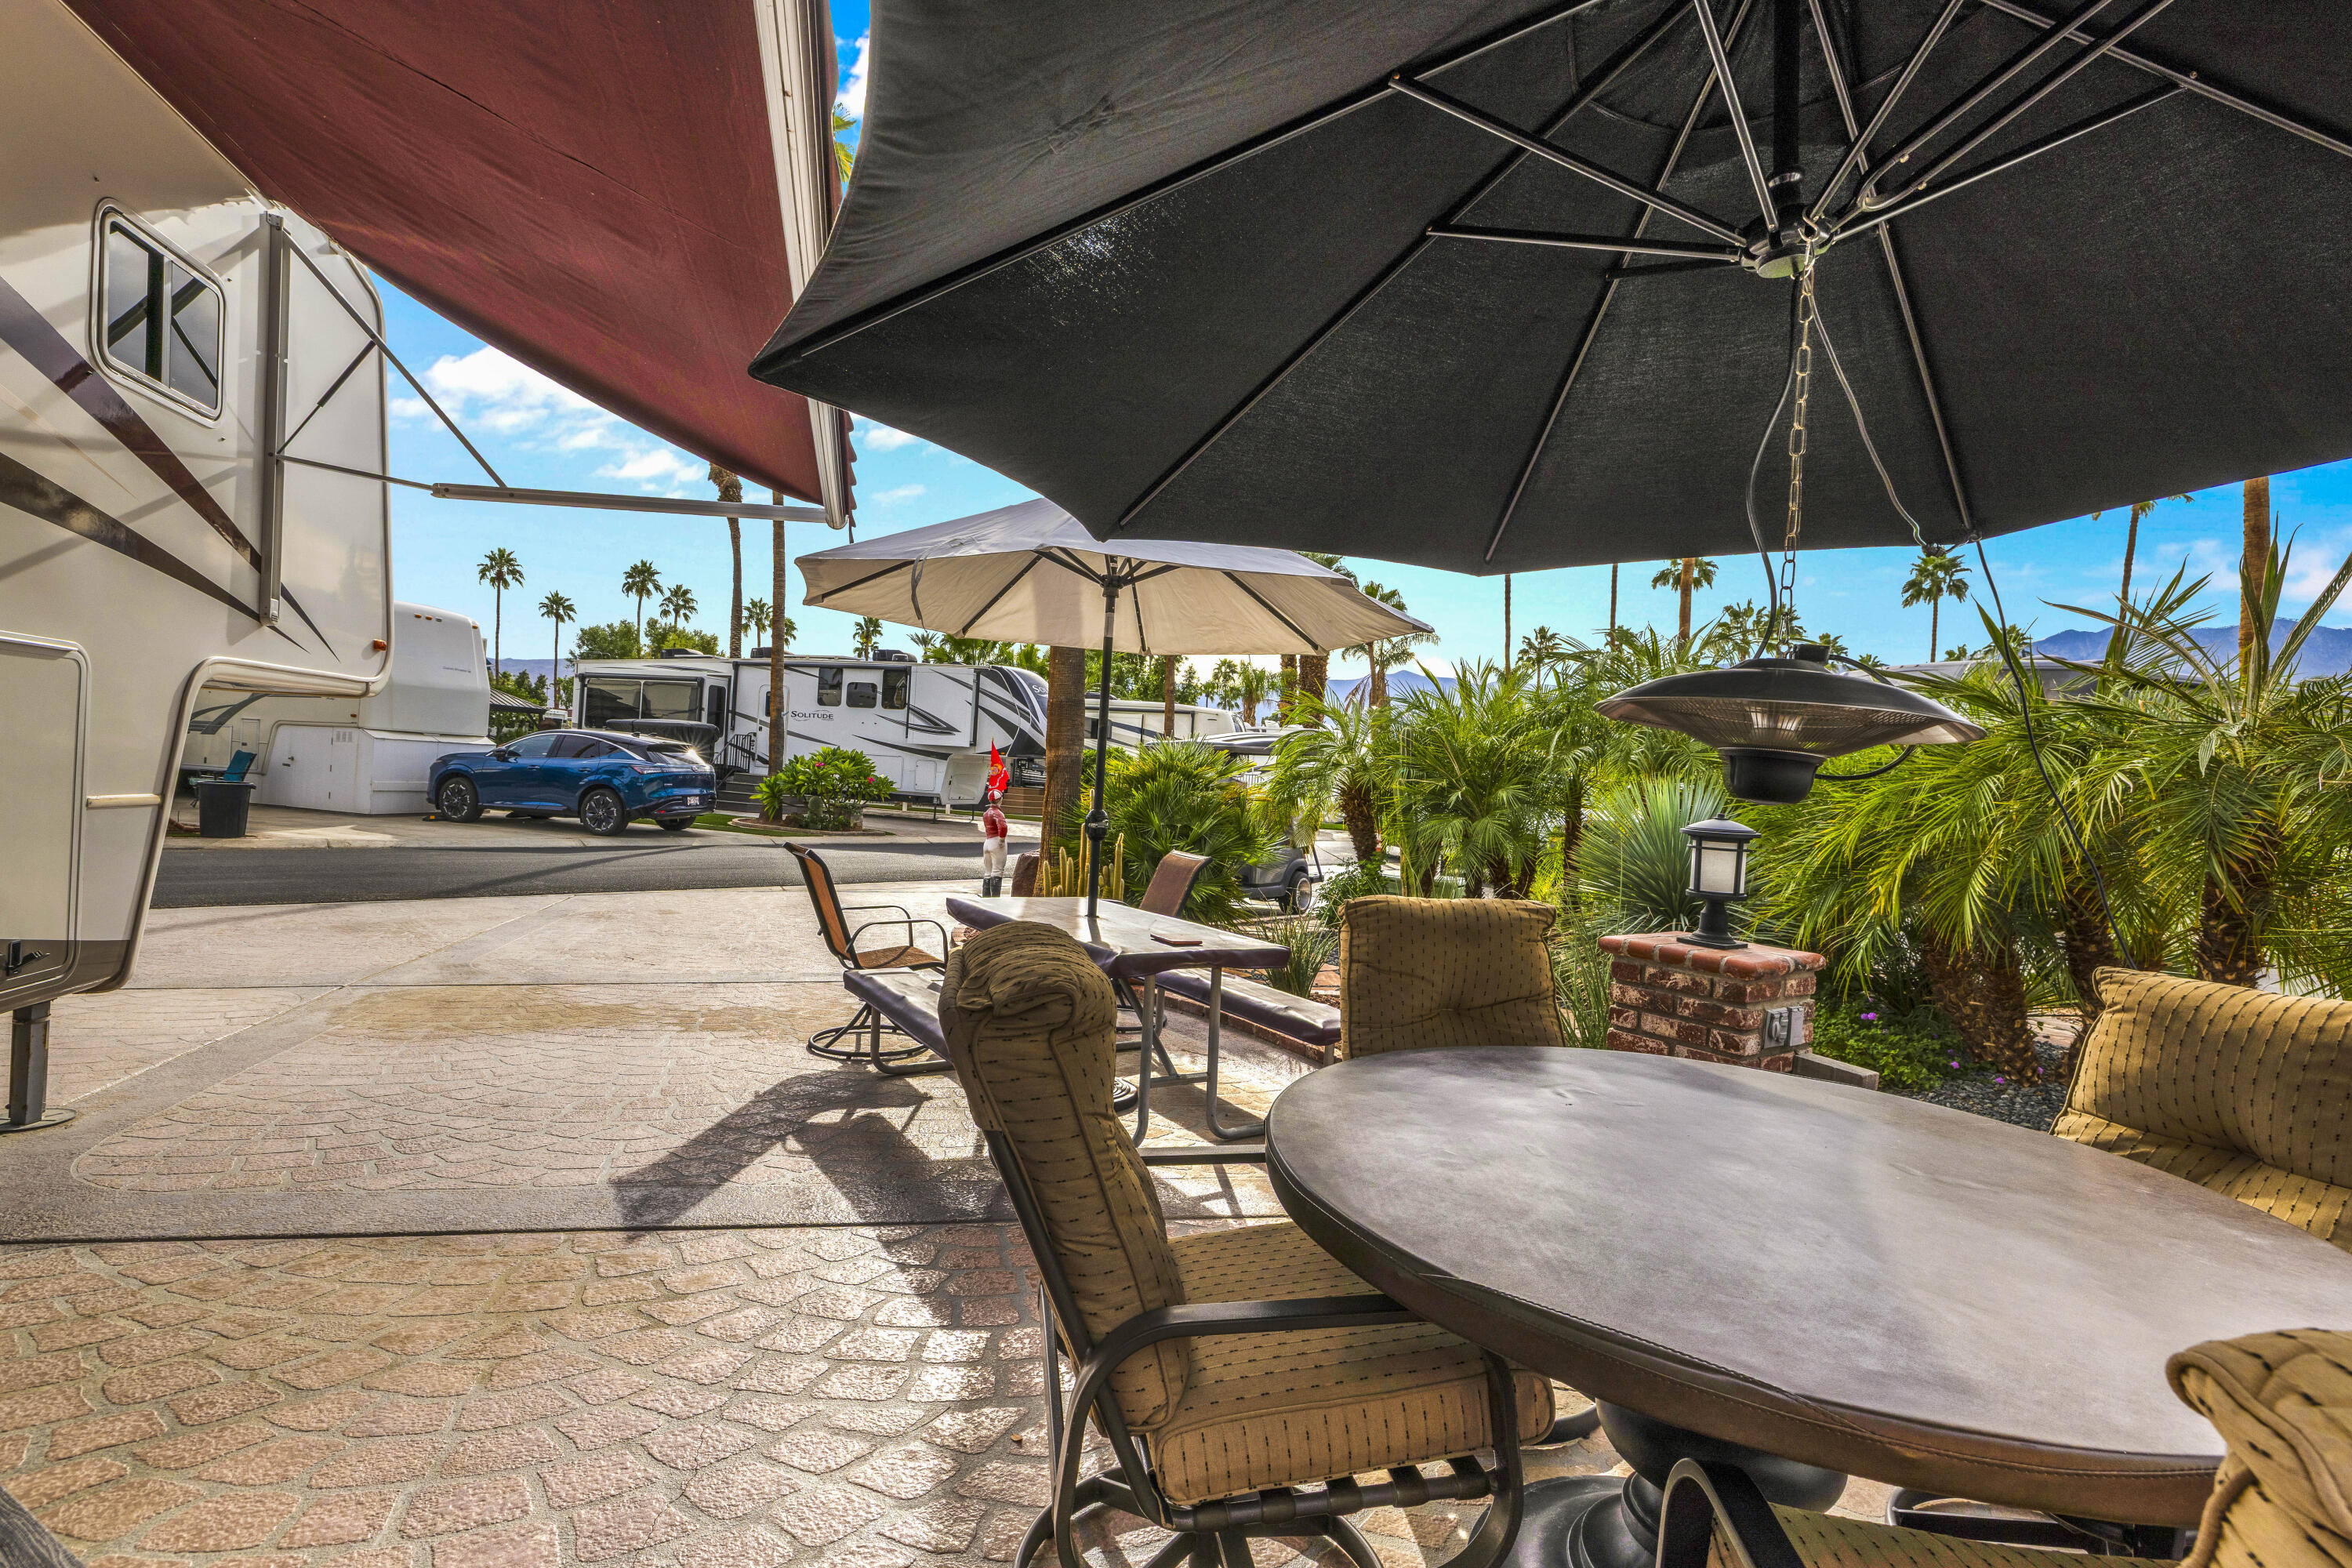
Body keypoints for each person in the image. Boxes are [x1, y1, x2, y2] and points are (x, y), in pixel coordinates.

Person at [977, 789, 1009, 892]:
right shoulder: (998, 813)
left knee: (988, 872)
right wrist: (1002, 840)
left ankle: (986, 898)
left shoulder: (986, 813)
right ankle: (995, 899)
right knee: (997, 871)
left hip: (987, 842)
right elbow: (1003, 827)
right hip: (996, 841)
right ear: (1000, 799)